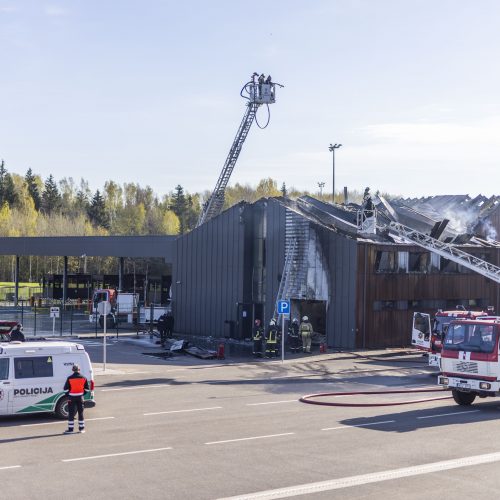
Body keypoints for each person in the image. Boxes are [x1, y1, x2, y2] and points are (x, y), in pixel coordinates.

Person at [63, 364, 90, 434]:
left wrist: (69, 394)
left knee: (71, 413)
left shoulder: (69, 378)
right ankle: (81, 429)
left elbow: (65, 389)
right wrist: (81, 394)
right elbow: (87, 389)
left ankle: (71, 430)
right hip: (80, 397)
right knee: (80, 413)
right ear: (79, 370)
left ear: (72, 370)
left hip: (71, 397)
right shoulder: (84, 378)